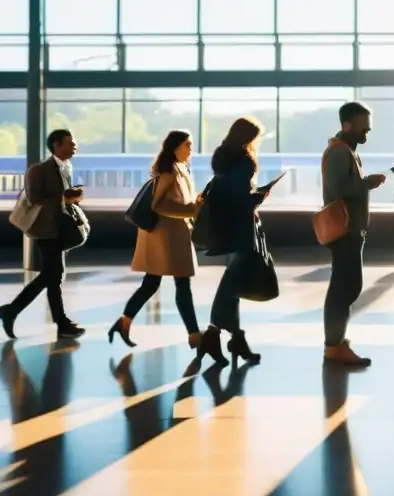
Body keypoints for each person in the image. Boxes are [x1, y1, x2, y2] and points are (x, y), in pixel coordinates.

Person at [109, 130, 207, 354]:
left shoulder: (180, 169)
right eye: (187, 145)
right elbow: (158, 206)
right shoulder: (170, 172)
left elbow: (177, 201)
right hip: (166, 237)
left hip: (171, 235)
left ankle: (124, 322)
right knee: (181, 285)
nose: (190, 149)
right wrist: (192, 209)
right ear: (175, 147)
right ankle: (194, 335)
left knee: (152, 283)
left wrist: (195, 202)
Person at [0, 129, 87, 340]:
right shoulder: (38, 170)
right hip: (45, 230)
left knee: (54, 276)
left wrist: (71, 198)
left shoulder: (66, 168)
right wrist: (65, 198)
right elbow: (36, 198)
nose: (75, 147)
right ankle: (16, 312)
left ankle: (58, 323)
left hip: (58, 229)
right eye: (70, 143)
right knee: (52, 274)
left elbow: (60, 199)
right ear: (56, 145)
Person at [199, 116, 274, 367]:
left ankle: (236, 338)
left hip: (226, 228)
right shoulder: (243, 160)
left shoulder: (221, 157)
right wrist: (260, 196)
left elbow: (228, 193)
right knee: (231, 285)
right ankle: (212, 334)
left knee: (234, 283)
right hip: (241, 228)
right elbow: (241, 198)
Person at [321, 101, 387, 367]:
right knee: (343, 287)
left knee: (348, 286)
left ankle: (337, 342)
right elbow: (339, 188)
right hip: (345, 230)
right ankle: (334, 345)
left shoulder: (346, 150)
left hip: (351, 230)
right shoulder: (339, 152)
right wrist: (366, 183)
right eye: (363, 129)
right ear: (346, 125)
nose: (365, 135)